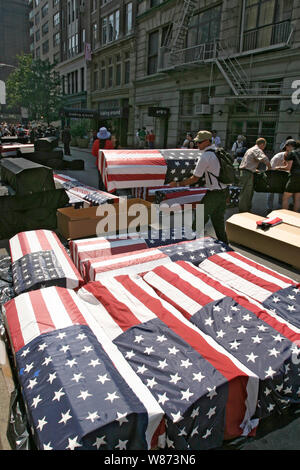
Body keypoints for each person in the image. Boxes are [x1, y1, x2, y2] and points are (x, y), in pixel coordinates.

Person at [169, 130, 228, 243]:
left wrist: (177, 184)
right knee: (218, 220)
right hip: (224, 191)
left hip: (214, 193)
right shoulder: (219, 151)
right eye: (196, 142)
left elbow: (194, 178)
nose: (197, 145)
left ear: (207, 142)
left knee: (199, 218)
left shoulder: (206, 156)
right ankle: (225, 245)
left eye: (199, 142)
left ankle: (190, 244)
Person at [238, 138, 271, 213]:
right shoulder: (257, 150)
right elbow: (265, 159)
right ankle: (244, 211)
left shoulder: (250, 149)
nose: (264, 148)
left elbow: (248, 163)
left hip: (245, 172)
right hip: (247, 173)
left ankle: (245, 209)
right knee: (246, 193)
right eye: (264, 146)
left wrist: (254, 169)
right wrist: (269, 168)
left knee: (246, 192)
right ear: (262, 144)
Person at [277, 139, 300, 212]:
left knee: (285, 197)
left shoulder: (292, 153)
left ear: (290, 146)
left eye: (287, 147)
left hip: (294, 177)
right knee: (297, 198)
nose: (286, 149)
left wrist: (279, 167)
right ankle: (295, 216)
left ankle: (285, 216)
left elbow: (288, 167)